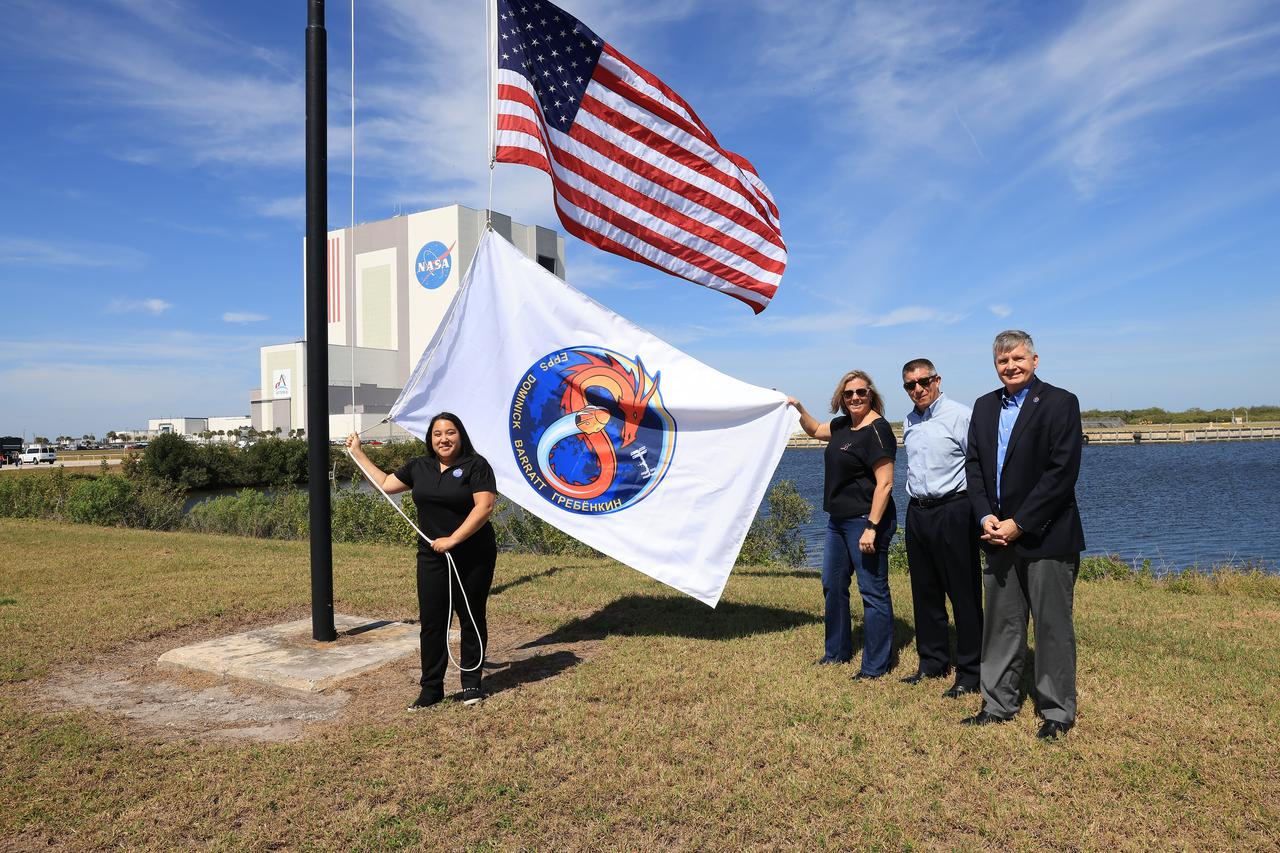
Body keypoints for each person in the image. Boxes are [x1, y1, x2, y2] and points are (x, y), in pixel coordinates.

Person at [962, 331, 1085, 739]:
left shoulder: (1060, 403)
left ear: (1034, 360)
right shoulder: (983, 407)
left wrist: (1021, 523)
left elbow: (1061, 474)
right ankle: (998, 703)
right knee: (1001, 625)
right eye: (1002, 361)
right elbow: (975, 468)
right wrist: (985, 518)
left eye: (1017, 358)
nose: (1010, 366)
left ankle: (1056, 711)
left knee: (1051, 627)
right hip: (996, 535)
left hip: (1045, 536)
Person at [346, 412, 498, 709]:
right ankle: (431, 689)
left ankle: (471, 685)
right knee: (432, 621)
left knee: (471, 616)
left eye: (450, 432)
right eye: (438, 434)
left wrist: (454, 539)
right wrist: (358, 453)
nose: (444, 439)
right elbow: (387, 484)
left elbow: (485, 506)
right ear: (430, 438)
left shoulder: (476, 466)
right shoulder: (420, 467)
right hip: (431, 556)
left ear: (460, 435)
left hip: (472, 553)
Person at [788, 371, 898, 680]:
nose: (855, 398)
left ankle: (877, 665)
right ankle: (836, 652)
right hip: (837, 522)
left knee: (872, 590)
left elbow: (886, 484)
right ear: (841, 397)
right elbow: (813, 429)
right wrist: (798, 408)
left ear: (871, 394)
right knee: (833, 585)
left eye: (861, 392)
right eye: (848, 394)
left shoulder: (878, 430)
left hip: (866, 521)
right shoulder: (840, 426)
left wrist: (872, 527)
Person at [899, 358, 983, 699]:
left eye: (924, 381)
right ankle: (932, 662)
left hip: (954, 510)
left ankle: (971, 671)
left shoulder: (960, 415)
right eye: (910, 385)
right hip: (918, 512)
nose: (918, 389)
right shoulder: (909, 421)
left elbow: (977, 467)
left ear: (937, 379)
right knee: (925, 591)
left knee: (963, 594)